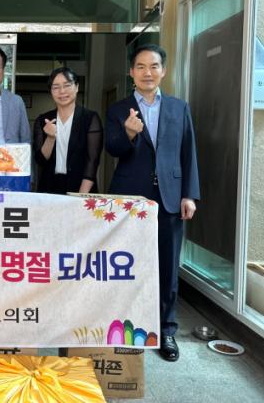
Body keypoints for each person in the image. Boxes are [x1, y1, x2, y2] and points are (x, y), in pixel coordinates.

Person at [105, 44, 200, 362]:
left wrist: (189, 194)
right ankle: (128, 325)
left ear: (163, 70)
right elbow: (112, 149)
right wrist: (128, 134)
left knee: (168, 266)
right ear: (131, 72)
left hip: (169, 198)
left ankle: (166, 330)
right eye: (141, 67)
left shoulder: (178, 107)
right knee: (127, 262)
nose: (148, 72)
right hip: (130, 199)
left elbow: (188, 152)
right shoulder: (119, 109)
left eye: (154, 66)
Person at [33, 67, 103, 194]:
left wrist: (80, 196)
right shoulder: (43, 120)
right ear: (51, 91)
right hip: (49, 188)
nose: (62, 91)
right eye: (56, 87)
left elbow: (92, 161)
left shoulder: (90, 118)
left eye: (67, 85)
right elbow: (40, 161)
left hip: (81, 187)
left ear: (76, 87)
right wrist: (50, 138)